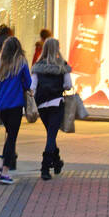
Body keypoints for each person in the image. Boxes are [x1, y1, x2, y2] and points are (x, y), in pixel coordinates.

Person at [31, 37, 72, 182]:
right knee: (51, 136)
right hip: (56, 103)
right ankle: (45, 167)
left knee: (50, 134)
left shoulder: (37, 67)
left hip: (42, 105)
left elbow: (33, 87)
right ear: (57, 49)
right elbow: (68, 85)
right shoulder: (63, 66)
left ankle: (57, 160)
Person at [0, 35, 32, 183]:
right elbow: (28, 83)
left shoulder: (1, 62)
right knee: (12, 139)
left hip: (2, 105)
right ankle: (5, 171)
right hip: (15, 105)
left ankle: (1, 165)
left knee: (10, 136)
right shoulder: (21, 62)